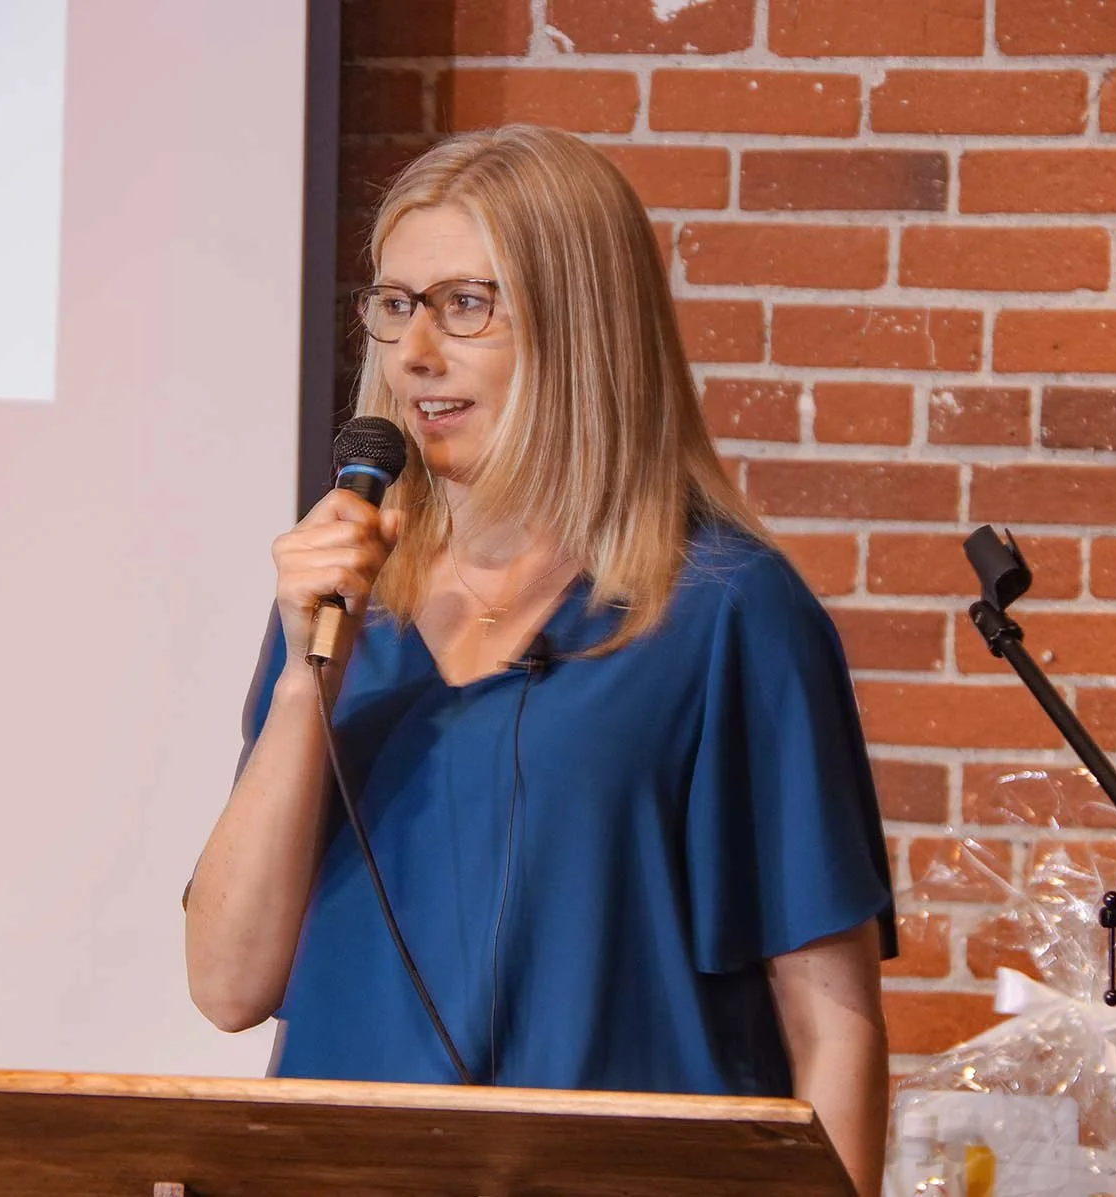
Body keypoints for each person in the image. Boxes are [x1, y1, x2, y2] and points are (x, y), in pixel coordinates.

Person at [185, 124, 895, 1197]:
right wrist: (302, 682)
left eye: (465, 305)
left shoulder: (726, 612)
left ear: (582, 325)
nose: (415, 354)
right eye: (394, 305)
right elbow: (230, 984)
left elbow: (831, 1028)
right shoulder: (345, 609)